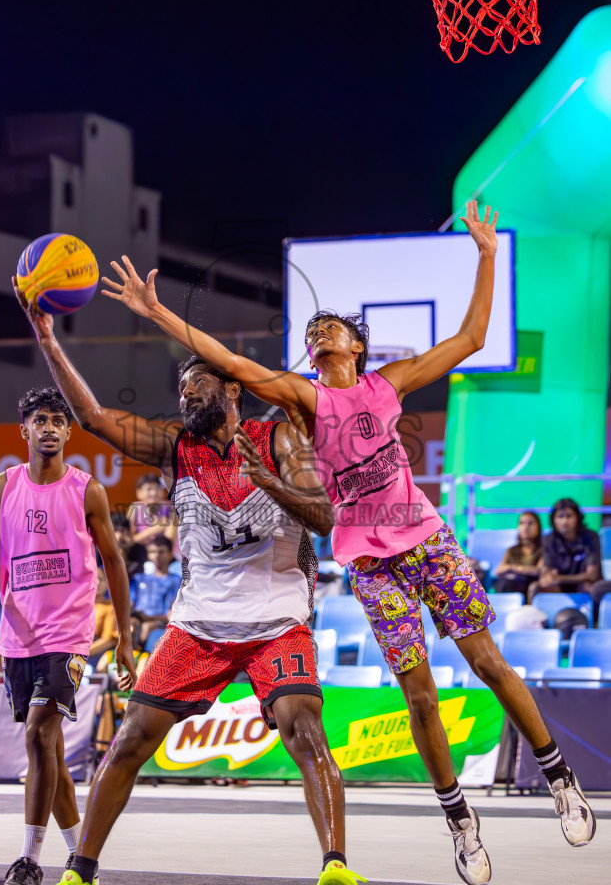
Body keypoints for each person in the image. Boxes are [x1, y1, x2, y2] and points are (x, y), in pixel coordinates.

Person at [101, 202, 596, 885]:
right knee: (420, 696)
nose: (320, 331)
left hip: (425, 542)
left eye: (331, 325)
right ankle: (458, 819)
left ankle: (557, 775)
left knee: (487, 661)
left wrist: (485, 255)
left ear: (356, 347)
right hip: (369, 562)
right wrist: (160, 315)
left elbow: (472, 337)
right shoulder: (305, 399)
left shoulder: (386, 386)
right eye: (313, 327)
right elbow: (229, 360)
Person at [14, 279, 365, 885]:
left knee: (305, 729)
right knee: (128, 742)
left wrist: (273, 483)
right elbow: (94, 417)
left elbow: (327, 519)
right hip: (199, 623)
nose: (185, 394)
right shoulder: (177, 449)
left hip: (277, 620)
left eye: (196, 383)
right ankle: (80, 870)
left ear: (231, 388)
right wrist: (47, 336)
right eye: (180, 388)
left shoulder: (279, 437)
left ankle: (335, 868)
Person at [0, 386, 137, 885]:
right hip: (18, 635)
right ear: (25, 429)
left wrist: (123, 634)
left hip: (69, 634)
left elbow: (114, 562)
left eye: (58, 419)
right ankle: (82, 862)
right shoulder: (2, 487)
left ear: (69, 431)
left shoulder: (87, 489)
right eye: (41, 419)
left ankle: (29, 860)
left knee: (39, 733)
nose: (50, 427)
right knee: (46, 751)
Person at [529, 498, 611, 612]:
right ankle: (539, 622)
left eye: (569, 516)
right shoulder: (549, 540)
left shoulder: (591, 537)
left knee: (590, 587)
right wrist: (547, 577)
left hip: (585, 584)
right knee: (535, 588)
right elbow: (547, 571)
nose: (564, 521)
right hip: (560, 586)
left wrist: (560, 578)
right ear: (553, 520)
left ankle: (594, 624)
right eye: (560, 516)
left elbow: (592, 575)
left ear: (577, 517)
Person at [130, 535, 181, 647]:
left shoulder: (176, 581)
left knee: (146, 628)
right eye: (152, 552)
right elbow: (130, 605)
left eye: (161, 552)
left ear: (170, 554)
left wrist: (148, 617)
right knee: (131, 627)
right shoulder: (139, 579)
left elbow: (171, 614)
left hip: (159, 623)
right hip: (136, 619)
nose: (156, 556)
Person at [493, 511, 543, 597]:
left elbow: (538, 571)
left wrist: (512, 568)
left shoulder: (544, 549)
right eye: (522, 523)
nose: (526, 527)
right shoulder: (511, 550)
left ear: (538, 526)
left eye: (530, 523)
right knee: (503, 584)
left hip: (532, 586)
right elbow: (499, 571)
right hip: (511, 584)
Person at [89, 567, 119, 662]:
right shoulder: (77, 605)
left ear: (107, 583)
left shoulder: (111, 606)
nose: (97, 582)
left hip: (97, 654)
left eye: (101, 579)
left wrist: (81, 654)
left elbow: (108, 640)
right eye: (93, 578)